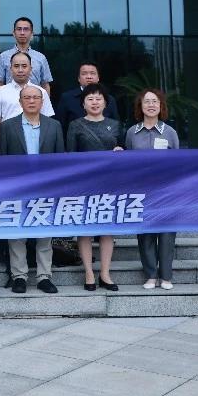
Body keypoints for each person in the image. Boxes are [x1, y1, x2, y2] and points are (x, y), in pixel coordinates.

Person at [0, 84, 64, 295]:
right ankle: (19, 276)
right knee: (17, 233)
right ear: (20, 101)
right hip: (17, 188)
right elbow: (2, 160)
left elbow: (60, 160)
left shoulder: (54, 126)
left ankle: (44, 276)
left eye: (36, 97)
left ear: (42, 102)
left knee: (44, 233)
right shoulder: (8, 126)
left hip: (46, 187)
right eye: (27, 97)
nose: (32, 101)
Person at [66, 83, 124, 291]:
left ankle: (105, 274)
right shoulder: (75, 125)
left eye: (99, 98)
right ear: (83, 104)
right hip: (84, 184)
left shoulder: (115, 125)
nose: (95, 102)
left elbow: (124, 153)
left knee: (107, 230)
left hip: (110, 183)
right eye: (90, 99)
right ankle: (89, 273)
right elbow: (70, 157)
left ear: (105, 103)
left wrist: (120, 151)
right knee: (85, 230)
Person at [126, 87, 181, 291]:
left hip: (166, 191)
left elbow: (179, 163)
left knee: (166, 234)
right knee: (145, 233)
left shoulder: (170, 132)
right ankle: (150, 274)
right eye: (147, 101)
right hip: (141, 191)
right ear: (140, 106)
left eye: (155, 101)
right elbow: (127, 161)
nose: (151, 105)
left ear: (161, 106)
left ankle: (166, 276)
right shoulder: (132, 132)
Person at [0, 51, 55, 148]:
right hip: (9, 142)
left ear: (30, 69)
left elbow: (47, 121)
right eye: (16, 66)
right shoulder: (0, 92)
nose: (20, 70)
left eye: (24, 66)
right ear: (10, 69)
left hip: (37, 143)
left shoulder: (41, 92)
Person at [0, 17, 53, 92]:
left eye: (26, 29)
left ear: (32, 34)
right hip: (10, 98)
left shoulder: (41, 57)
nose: (22, 33)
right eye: (19, 29)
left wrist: (45, 99)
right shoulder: (3, 56)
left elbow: (45, 84)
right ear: (14, 33)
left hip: (33, 98)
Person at [58, 61, 119, 126]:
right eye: (84, 74)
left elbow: (116, 126)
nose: (89, 77)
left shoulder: (109, 99)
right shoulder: (67, 98)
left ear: (98, 78)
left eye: (92, 73)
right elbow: (60, 126)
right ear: (78, 78)